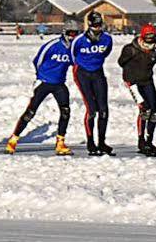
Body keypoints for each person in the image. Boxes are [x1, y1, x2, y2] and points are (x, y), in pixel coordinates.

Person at [7, 22, 77, 156]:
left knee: (65, 111)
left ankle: (60, 142)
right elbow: (37, 60)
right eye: (70, 34)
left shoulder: (74, 49)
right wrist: (40, 76)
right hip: (43, 82)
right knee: (30, 112)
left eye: (75, 34)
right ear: (64, 33)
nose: (72, 37)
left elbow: (76, 63)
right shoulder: (52, 45)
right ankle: (14, 139)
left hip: (59, 84)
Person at [119, 22, 156, 156]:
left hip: (147, 80)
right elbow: (121, 62)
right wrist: (130, 76)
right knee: (145, 109)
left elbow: (153, 62)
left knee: (154, 112)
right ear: (142, 37)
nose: (150, 42)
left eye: (152, 37)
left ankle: (149, 141)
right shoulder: (130, 49)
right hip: (133, 82)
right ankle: (141, 141)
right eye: (147, 37)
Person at [74, 10, 115, 155]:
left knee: (103, 109)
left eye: (100, 25)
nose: (98, 28)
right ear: (90, 25)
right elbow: (73, 55)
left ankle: (102, 142)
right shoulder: (79, 40)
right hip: (82, 74)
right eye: (95, 25)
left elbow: (106, 52)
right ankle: (90, 141)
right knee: (92, 110)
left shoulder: (107, 39)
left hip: (98, 73)